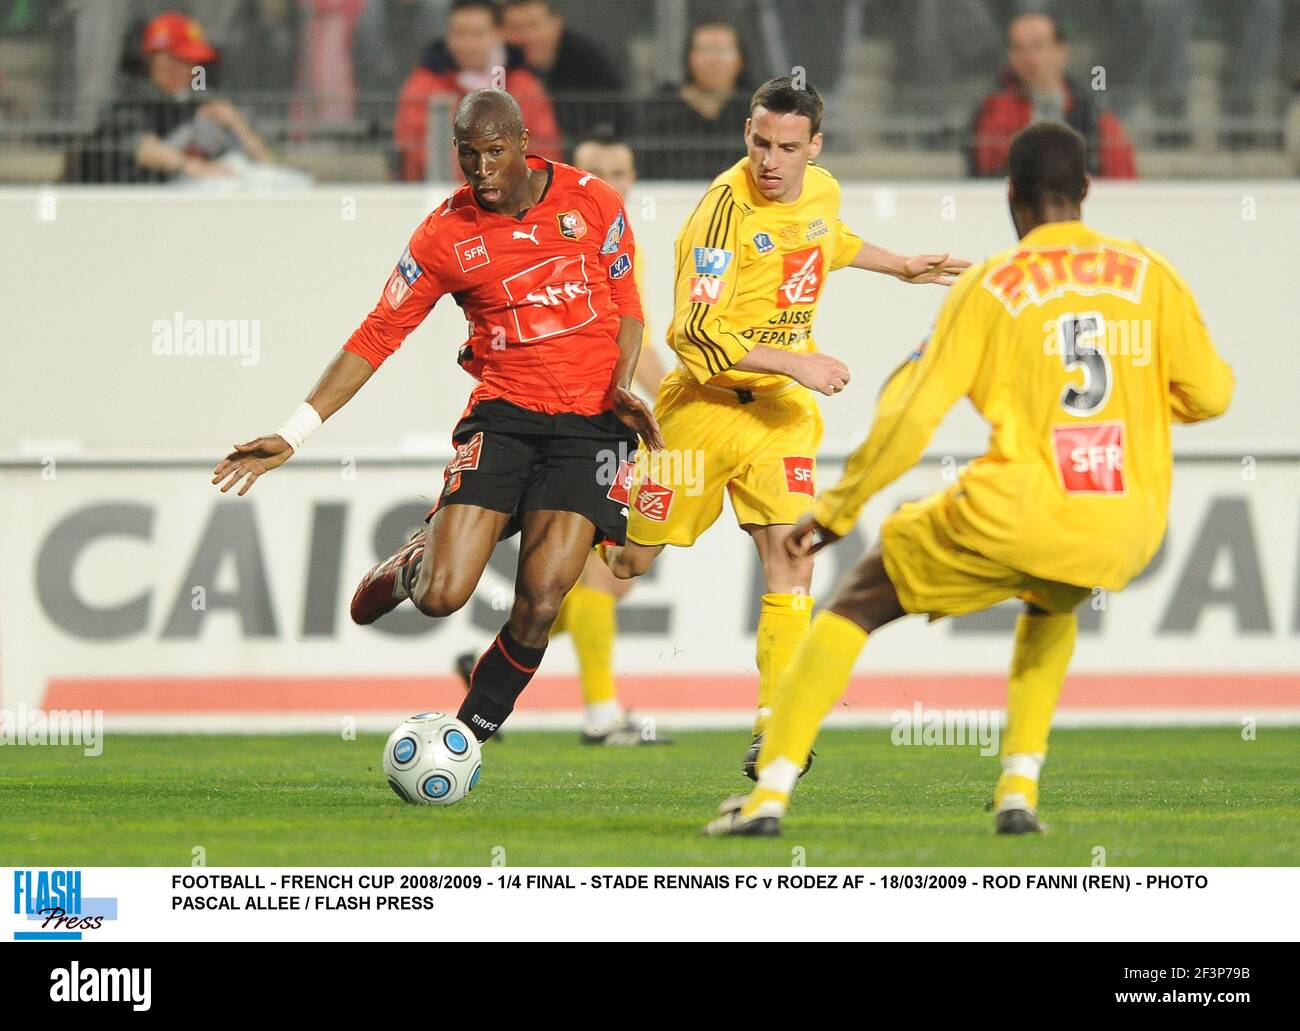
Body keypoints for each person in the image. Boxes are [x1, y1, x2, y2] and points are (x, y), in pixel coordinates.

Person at [707, 121, 1235, 838]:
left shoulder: (992, 284)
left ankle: (767, 797)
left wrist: (835, 510)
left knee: (858, 599)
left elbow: (910, 417)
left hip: (1017, 509)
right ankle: (1018, 790)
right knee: (1053, 601)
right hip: (1125, 521)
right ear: (1086, 189)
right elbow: (1211, 396)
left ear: (1011, 195)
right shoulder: (1150, 273)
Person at [212, 89, 663, 746]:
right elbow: (376, 334)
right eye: (467, 153)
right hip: (503, 419)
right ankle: (409, 565)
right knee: (442, 595)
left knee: (542, 599)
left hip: (591, 425)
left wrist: (622, 385)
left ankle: (466, 740)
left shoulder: (594, 201)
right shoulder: (443, 235)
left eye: (494, 151)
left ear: (523, 141)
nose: (480, 169)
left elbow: (626, 308)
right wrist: (294, 430)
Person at [599, 76, 969, 776]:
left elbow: (827, 237)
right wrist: (794, 363)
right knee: (627, 560)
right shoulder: (719, 216)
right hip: (702, 413)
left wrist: (899, 266)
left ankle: (775, 723)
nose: (770, 160)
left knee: (792, 555)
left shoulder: (821, 190)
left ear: (814, 147)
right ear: (747, 133)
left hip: (780, 419)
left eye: (787, 148)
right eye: (760, 143)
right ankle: (560, 531)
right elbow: (691, 332)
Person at [450, 129, 670, 745]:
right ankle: (602, 713)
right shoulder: (563, 229)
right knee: (603, 576)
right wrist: (671, 401)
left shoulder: (618, 238)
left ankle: (487, 659)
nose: (614, 180)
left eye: (623, 169)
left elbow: (633, 335)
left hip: (599, 420)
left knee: (622, 568)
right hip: (562, 426)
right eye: (602, 168)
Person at [66, 11, 273, 183]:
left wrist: (238, 126)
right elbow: (143, 148)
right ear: (157, 62)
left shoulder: (198, 102)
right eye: (182, 60)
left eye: (193, 62)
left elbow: (267, 165)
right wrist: (198, 168)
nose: (191, 70)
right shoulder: (127, 100)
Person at [395, 0, 562, 182]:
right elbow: (414, 151)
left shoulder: (524, 86)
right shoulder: (424, 85)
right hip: (442, 194)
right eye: (460, 34)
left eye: (477, 34)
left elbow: (545, 148)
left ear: (498, 34)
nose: (468, 44)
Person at [969, 12, 1136, 179]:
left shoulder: (1094, 115)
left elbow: (1121, 183)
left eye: (1038, 46)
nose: (1029, 58)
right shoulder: (993, 112)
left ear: (1061, 50)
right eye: (1019, 48)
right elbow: (986, 175)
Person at [637, 20, 752, 180]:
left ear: (741, 59)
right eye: (705, 50)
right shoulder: (660, 107)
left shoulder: (756, 108)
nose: (714, 60)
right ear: (688, 58)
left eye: (723, 51)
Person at [501, 0, 625, 144]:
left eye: (533, 25)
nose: (526, 36)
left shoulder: (588, 60)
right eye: (515, 28)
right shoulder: (501, 64)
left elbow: (614, 113)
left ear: (556, 23)